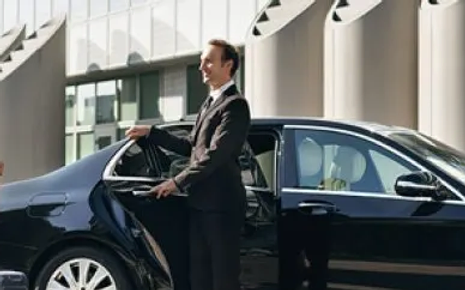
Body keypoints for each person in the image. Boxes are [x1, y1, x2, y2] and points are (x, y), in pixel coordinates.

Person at [126, 39, 251, 290]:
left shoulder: (235, 105)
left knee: (224, 280)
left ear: (228, 65)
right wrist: (152, 132)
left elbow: (214, 156)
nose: (201, 67)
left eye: (208, 61)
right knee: (199, 280)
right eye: (201, 61)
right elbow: (191, 147)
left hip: (222, 208)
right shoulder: (209, 104)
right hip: (198, 206)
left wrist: (176, 182)